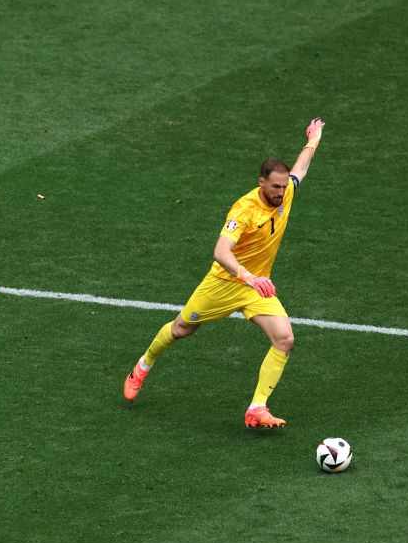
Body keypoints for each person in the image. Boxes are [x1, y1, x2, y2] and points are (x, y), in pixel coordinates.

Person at [123, 117, 325, 427]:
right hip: (225, 282)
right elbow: (220, 251)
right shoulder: (243, 210)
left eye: (284, 187)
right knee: (181, 330)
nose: (281, 192)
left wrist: (312, 140)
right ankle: (143, 365)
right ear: (261, 182)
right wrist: (249, 277)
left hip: (257, 288)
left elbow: (301, 170)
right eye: (275, 186)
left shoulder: (286, 193)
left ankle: (257, 408)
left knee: (284, 339)